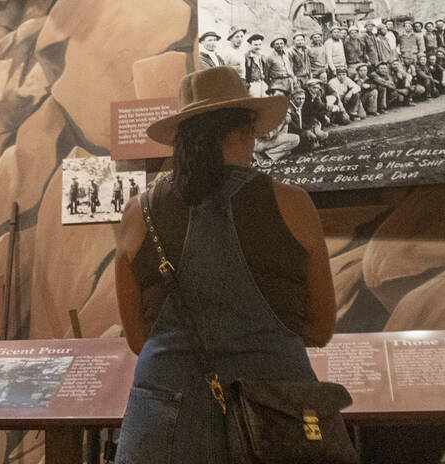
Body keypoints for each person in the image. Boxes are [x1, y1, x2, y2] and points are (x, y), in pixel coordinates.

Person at [113, 67, 336, 464]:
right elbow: (320, 328)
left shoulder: (138, 213)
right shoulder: (292, 205)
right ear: (247, 129)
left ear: (182, 138)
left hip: (163, 421)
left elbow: (136, 338)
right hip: (277, 414)